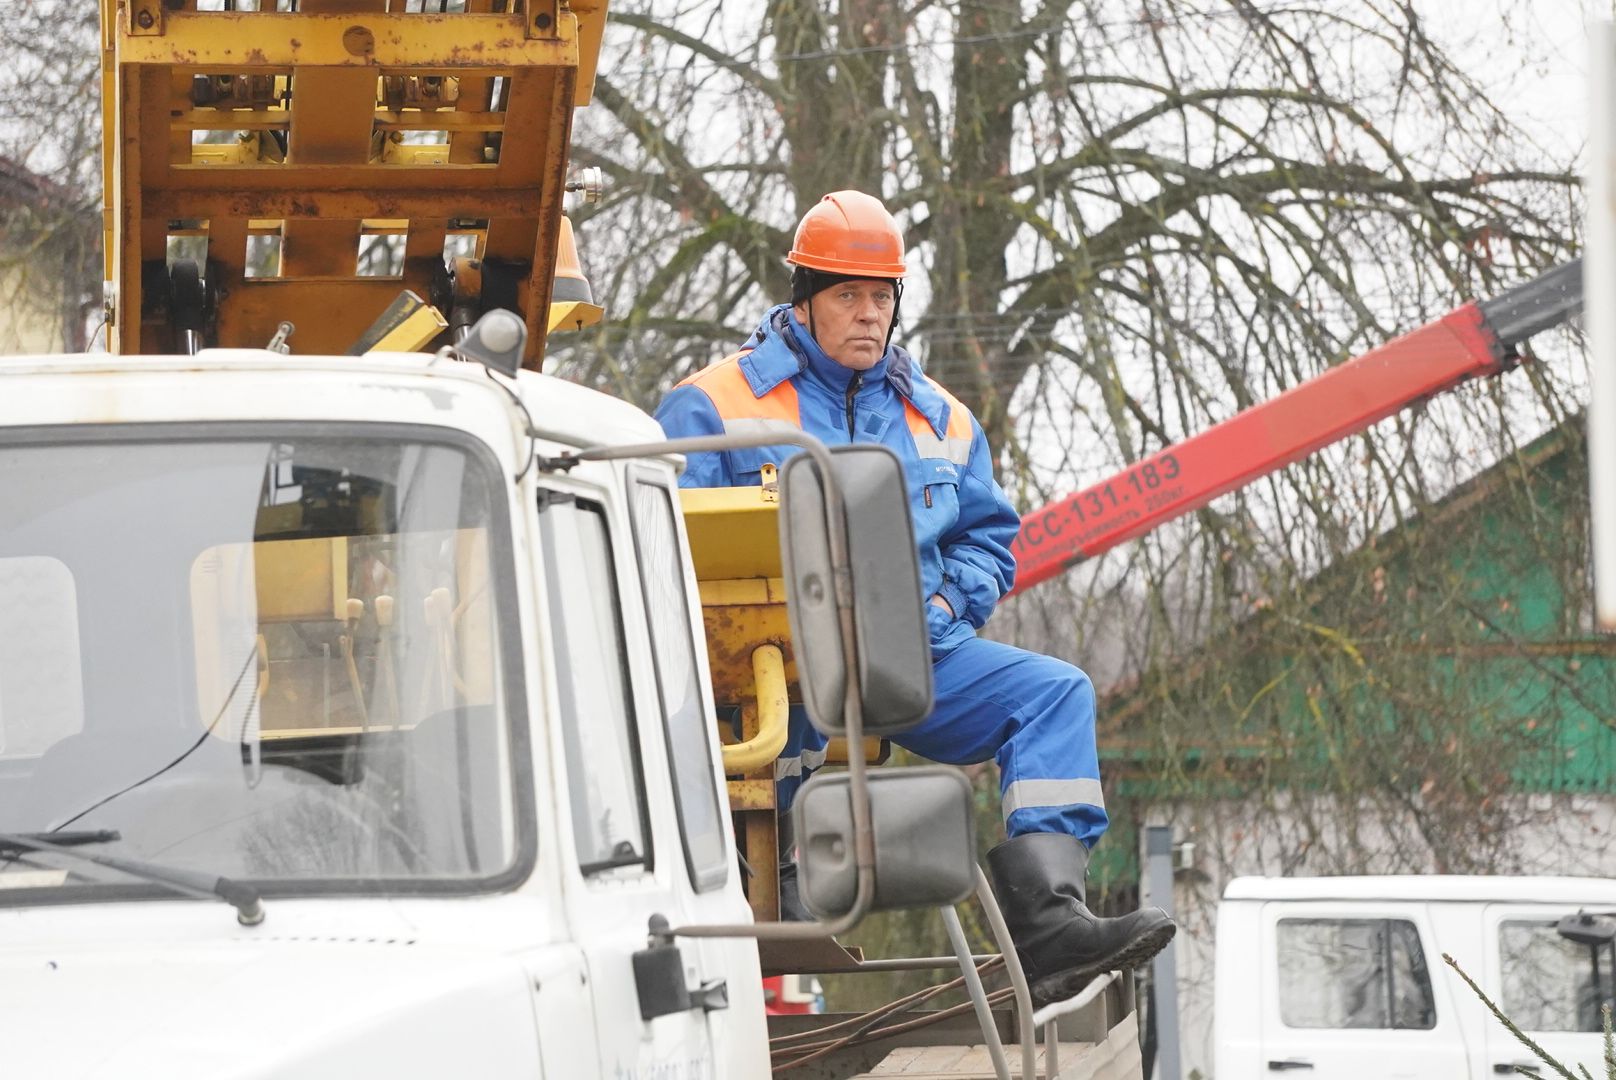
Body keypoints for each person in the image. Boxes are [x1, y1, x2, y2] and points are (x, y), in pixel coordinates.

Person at [654, 190, 1175, 1006]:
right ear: (804, 301)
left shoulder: (943, 421)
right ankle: (768, 884)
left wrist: (943, 611)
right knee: (779, 716)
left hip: (914, 654)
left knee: (1055, 696)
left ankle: (1047, 922)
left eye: (881, 297)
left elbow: (987, 540)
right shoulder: (713, 406)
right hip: (766, 670)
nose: (867, 314)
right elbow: (667, 558)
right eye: (847, 296)